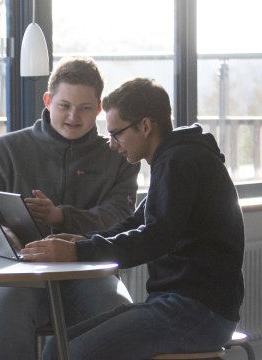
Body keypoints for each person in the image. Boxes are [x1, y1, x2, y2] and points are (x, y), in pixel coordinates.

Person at [25, 78, 244, 360]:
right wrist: (84, 241)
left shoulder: (180, 161)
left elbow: (155, 237)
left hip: (199, 311)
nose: (113, 145)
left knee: (73, 354)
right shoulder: (173, 157)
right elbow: (136, 223)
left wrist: (79, 251)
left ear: (145, 126)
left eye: (116, 134)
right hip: (177, 305)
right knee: (57, 348)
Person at [0, 57, 139, 360]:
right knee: (7, 304)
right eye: (64, 106)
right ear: (48, 100)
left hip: (87, 276)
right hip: (12, 277)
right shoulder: (1, 151)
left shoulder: (118, 157)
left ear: (100, 108)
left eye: (85, 108)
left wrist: (63, 216)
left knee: (117, 309)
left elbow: (122, 219)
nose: (73, 117)